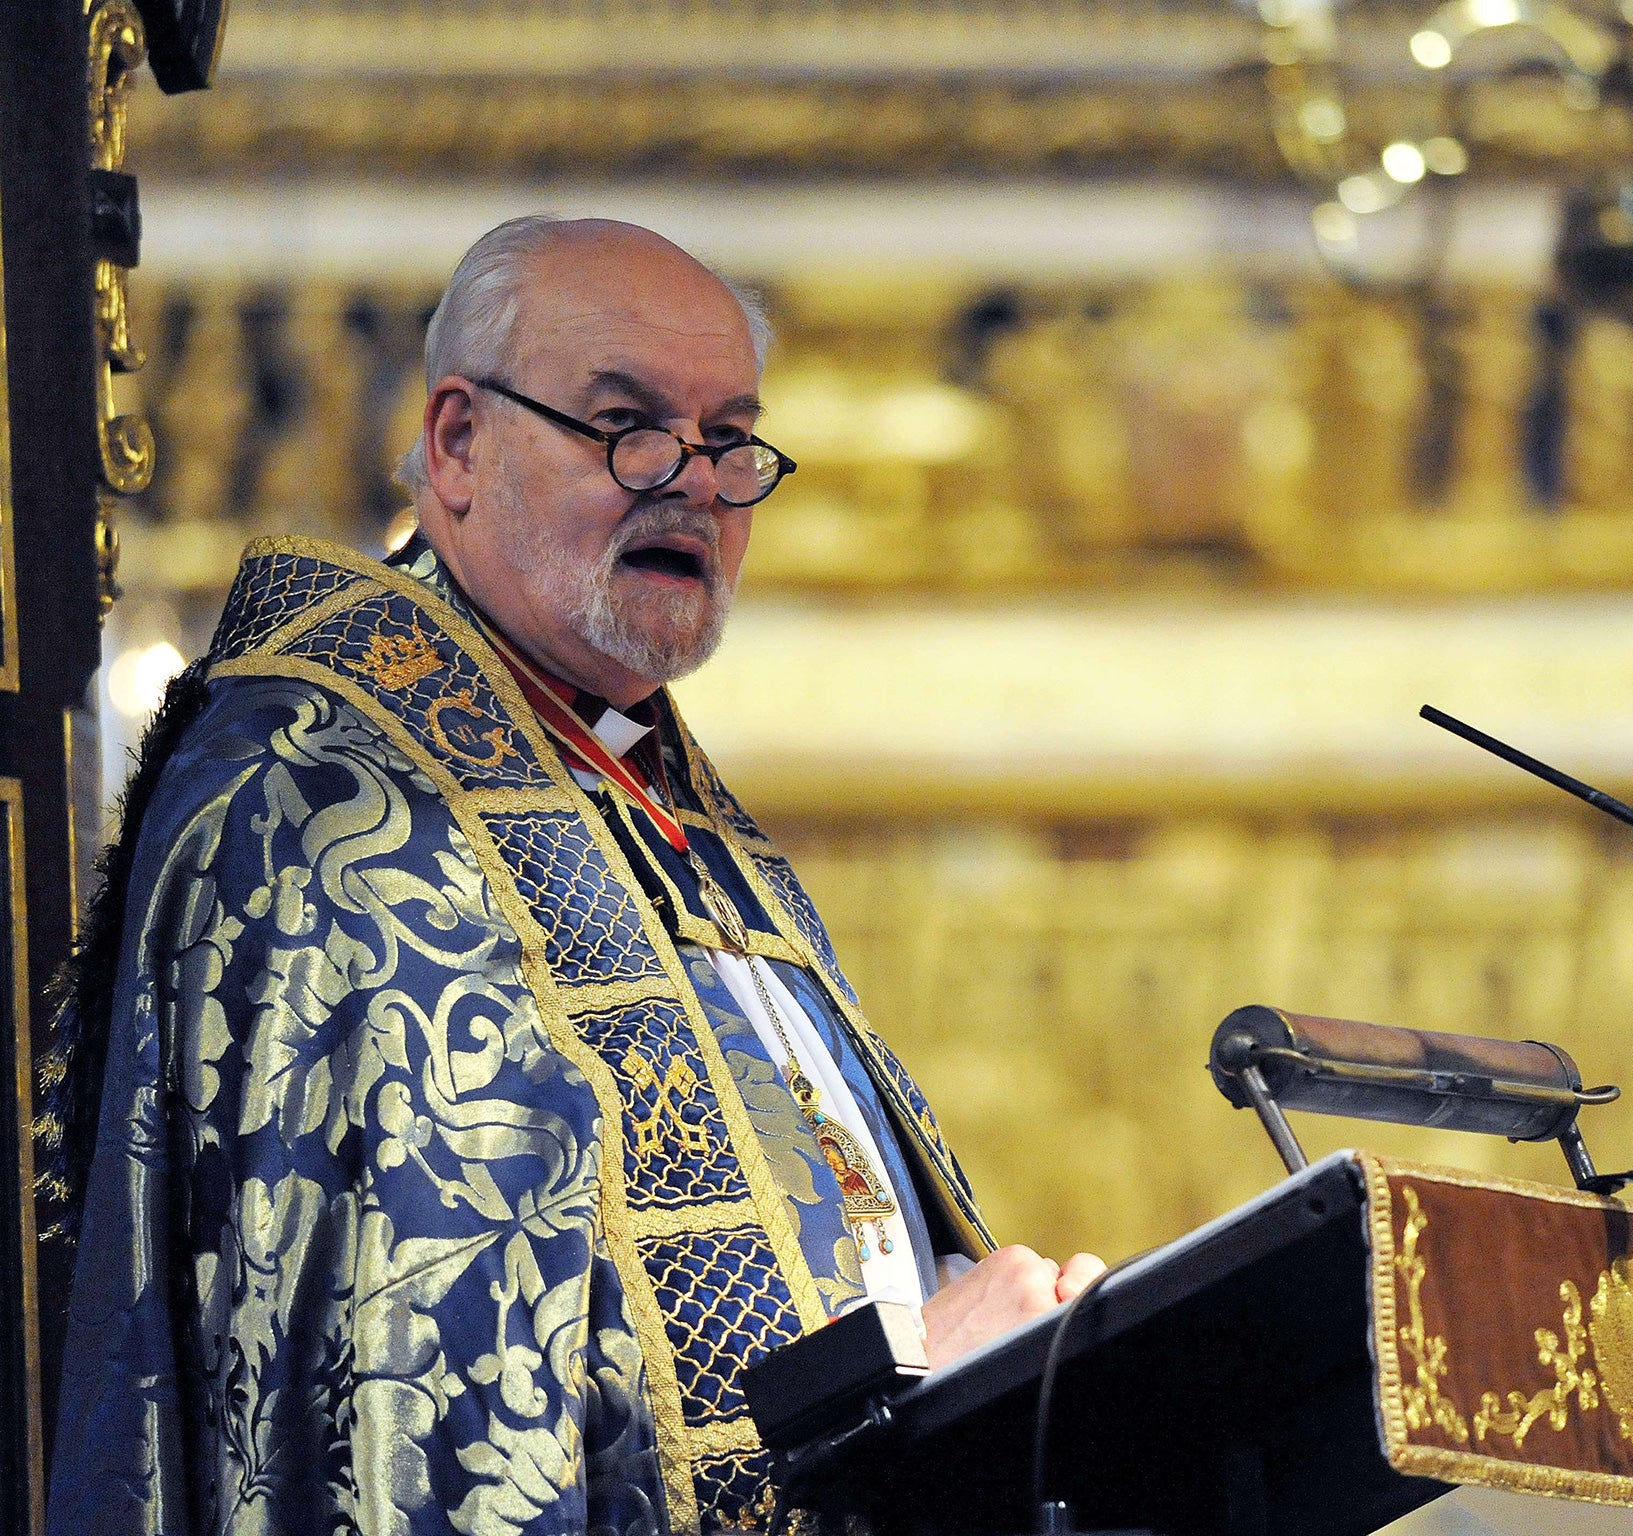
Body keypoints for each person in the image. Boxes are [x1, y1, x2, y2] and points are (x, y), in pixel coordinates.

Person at [47, 214, 1105, 1536]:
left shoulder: (654, 802)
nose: (695, 483)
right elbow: (414, 1451)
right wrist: (902, 1387)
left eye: (731, 438)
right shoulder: (334, 808)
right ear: (457, 444)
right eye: (628, 426)